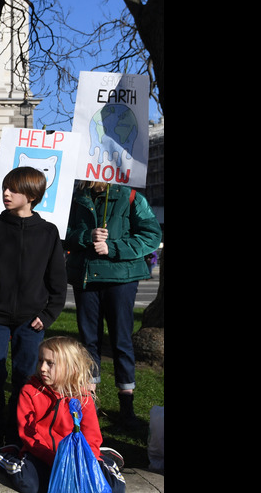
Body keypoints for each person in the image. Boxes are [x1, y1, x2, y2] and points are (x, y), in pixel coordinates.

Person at [0, 166, 67, 455]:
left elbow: (58, 283)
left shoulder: (48, 233)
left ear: (32, 195)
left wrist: (47, 316)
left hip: (31, 320)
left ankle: (20, 431)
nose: (5, 194)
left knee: (26, 376)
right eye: (4, 188)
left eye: (14, 189)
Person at [63, 181, 162, 430]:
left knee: (121, 341)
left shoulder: (129, 197)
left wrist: (114, 247)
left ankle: (126, 408)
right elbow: (63, 232)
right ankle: (90, 404)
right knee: (88, 342)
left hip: (122, 278)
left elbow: (151, 234)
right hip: (86, 277)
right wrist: (86, 236)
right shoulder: (75, 197)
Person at [0, 336, 126, 493]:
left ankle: (106, 461)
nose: (42, 368)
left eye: (50, 363)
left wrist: (86, 459)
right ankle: (5, 456)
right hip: (42, 454)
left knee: (115, 488)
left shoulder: (83, 397)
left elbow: (91, 434)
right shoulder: (30, 391)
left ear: (71, 367)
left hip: (76, 458)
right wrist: (55, 460)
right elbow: (28, 435)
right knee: (29, 485)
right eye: (40, 361)